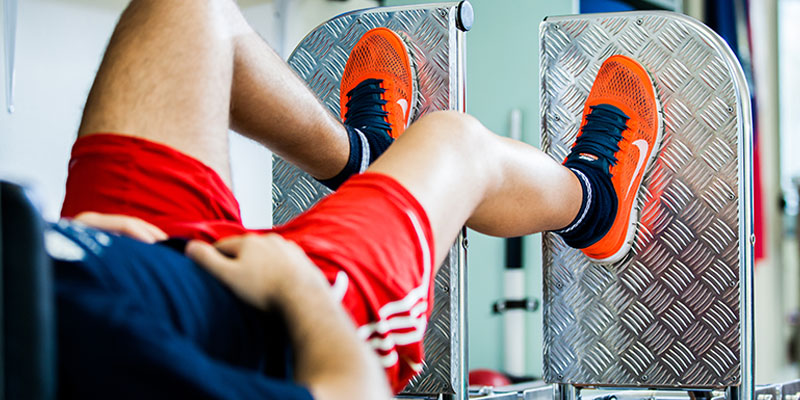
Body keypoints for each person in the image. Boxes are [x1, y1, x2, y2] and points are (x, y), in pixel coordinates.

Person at [50, 0, 662, 398]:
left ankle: (363, 157)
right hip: (261, 318)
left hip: (96, 262)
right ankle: (596, 204)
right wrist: (298, 288)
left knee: (181, 10)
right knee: (453, 144)